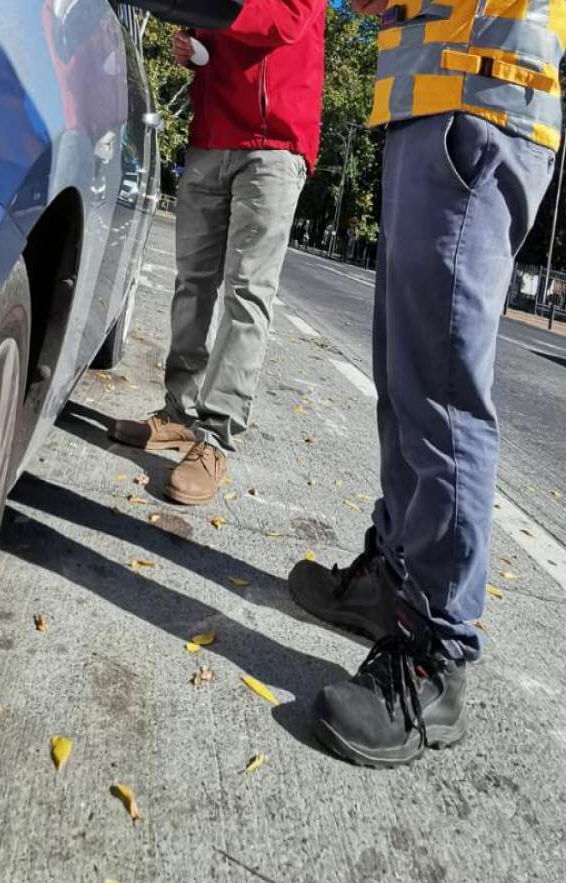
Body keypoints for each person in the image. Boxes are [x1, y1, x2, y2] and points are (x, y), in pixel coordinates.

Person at [289, 0, 566, 768]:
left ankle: (437, 656)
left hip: (480, 106)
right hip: (434, 105)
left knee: (441, 390)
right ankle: (394, 577)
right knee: (406, 377)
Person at [108, 1, 326, 505]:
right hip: (211, 133)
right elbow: (205, 24)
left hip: (274, 144)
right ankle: (177, 413)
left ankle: (215, 438)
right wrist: (188, 43)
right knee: (192, 281)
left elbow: (285, 19)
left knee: (247, 292)